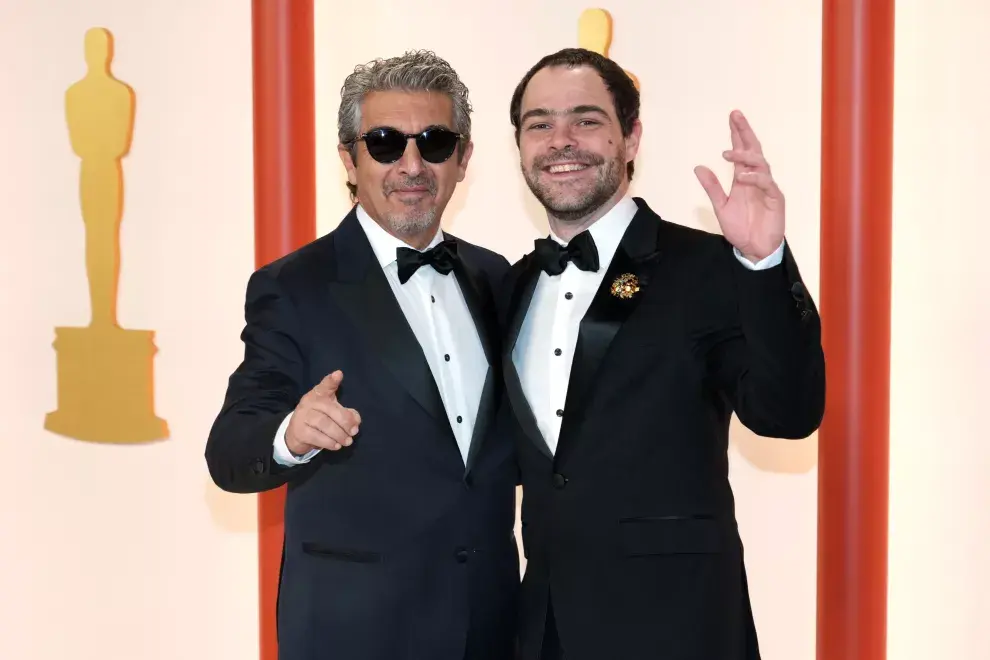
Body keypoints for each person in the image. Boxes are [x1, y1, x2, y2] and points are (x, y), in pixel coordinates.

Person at [499, 47, 825, 660]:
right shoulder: (510, 287)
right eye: (539, 123)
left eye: (587, 120)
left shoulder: (706, 266)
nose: (560, 140)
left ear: (631, 138)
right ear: (519, 146)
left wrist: (762, 263)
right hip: (545, 630)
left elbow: (787, 414)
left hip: (679, 626)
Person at [205, 50, 519, 660]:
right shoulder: (294, 286)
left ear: (463, 159)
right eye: (384, 143)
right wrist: (289, 435)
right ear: (349, 158)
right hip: (356, 631)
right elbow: (229, 450)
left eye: (434, 141)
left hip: (488, 621)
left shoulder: (496, 277)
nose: (411, 164)